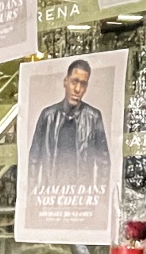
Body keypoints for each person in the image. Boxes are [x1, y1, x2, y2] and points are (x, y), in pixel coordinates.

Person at [28, 58, 112, 195]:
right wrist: (32, 196)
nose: (77, 89)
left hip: (81, 196)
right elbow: (34, 159)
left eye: (83, 84)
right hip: (51, 194)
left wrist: (99, 198)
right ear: (65, 82)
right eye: (74, 82)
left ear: (86, 88)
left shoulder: (93, 117)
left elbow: (104, 163)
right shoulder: (48, 116)